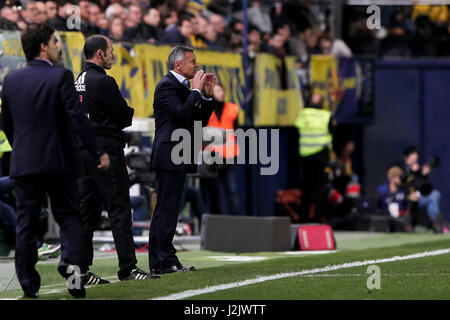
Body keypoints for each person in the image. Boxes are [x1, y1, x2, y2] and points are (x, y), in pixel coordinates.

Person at [0, 23, 110, 298]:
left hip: (24, 163)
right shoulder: (61, 76)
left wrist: (22, 150)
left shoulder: (10, 81)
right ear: (43, 47)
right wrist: (98, 152)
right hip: (59, 161)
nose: (58, 45)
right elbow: (77, 119)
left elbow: (7, 125)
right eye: (55, 41)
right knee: (70, 217)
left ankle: (29, 288)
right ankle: (70, 270)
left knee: (25, 224)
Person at [75, 35, 158, 284]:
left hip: (82, 153)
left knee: (86, 214)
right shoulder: (104, 81)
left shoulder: (77, 81)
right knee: (119, 210)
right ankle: (128, 269)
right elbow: (124, 115)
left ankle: (80, 271)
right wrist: (125, 113)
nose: (113, 54)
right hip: (106, 153)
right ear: (99, 54)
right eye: (111, 50)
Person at [149, 46, 216, 274]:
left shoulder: (184, 86)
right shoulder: (167, 85)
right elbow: (183, 112)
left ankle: (167, 258)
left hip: (180, 153)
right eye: (192, 61)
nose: (197, 65)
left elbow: (199, 120)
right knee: (165, 210)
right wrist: (196, 91)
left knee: (172, 209)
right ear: (178, 65)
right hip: (169, 154)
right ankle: (161, 261)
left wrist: (206, 94)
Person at [294, 92, 335, 223]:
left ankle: (303, 218)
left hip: (305, 155)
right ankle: (318, 217)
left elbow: (296, 129)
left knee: (307, 187)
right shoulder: (326, 115)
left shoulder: (303, 114)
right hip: (321, 156)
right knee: (320, 187)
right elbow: (333, 133)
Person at [201, 83, 240, 215]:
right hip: (212, 157)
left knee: (232, 191)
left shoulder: (232, 109)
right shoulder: (205, 109)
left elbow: (237, 131)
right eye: (217, 91)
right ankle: (215, 221)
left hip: (229, 155)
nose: (221, 93)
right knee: (213, 192)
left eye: (222, 90)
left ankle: (236, 220)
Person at [402, 146, 445, 233]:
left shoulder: (421, 170)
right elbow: (405, 184)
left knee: (434, 196)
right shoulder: (404, 170)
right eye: (412, 155)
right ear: (407, 157)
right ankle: (439, 224)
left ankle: (438, 224)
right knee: (434, 196)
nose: (415, 157)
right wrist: (417, 173)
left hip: (420, 197)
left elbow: (425, 188)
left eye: (415, 155)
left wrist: (422, 172)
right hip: (407, 199)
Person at [377, 166, 410, 232]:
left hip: (401, 220)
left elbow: (407, 207)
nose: (400, 179)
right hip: (386, 219)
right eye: (398, 177)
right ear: (392, 178)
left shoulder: (403, 190)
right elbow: (378, 207)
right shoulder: (382, 190)